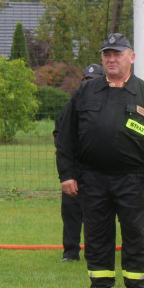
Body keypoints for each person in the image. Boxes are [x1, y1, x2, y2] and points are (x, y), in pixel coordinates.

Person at [55, 33, 144, 288]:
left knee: (136, 237)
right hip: (91, 179)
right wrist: (67, 174)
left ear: (131, 57)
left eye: (117, 54)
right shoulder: (85, 91)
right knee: (96, 238)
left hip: (132, 179)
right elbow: (66, 136)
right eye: (107, 54)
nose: (111, 58)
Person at [53, 63, 104, 263]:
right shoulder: (72, 104)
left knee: (98, 213)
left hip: (100, 169)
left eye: (94, 80)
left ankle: (97, 250)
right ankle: (70, 252)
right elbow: (59, 131)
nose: (89, 84)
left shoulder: (109, 103)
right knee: (71, 210)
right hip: (76, 168)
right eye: (86, 80)